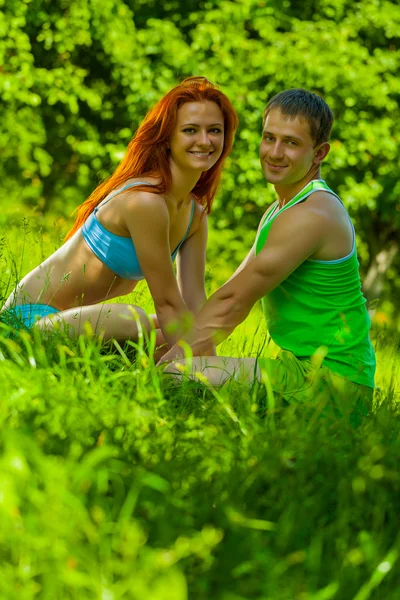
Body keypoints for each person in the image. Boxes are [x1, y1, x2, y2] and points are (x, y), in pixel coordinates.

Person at [161, 88, 376, 420]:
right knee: (169, 351)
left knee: (174, 376)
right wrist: (187, 352)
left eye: (291, 142)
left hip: (333, 385)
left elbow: (235, 302)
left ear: (319, 153)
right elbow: (230, 292)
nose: (275, 152)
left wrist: (171, 364)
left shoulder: (312, 214)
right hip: (298, 370)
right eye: (269, 138)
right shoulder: (279, 209)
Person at [1, 77, 239, 353]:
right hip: (26, 325)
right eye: (190, 130)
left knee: (193, 328)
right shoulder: (145, 202)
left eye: (214, 130)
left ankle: (175, 375)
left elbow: (195, 302)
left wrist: (203, 352)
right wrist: (202, 366)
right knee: (134, 319)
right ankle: (187, 374)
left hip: (73, 325)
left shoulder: (194, 215)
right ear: (167, 139)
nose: (204, 141)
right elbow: (168, 303)